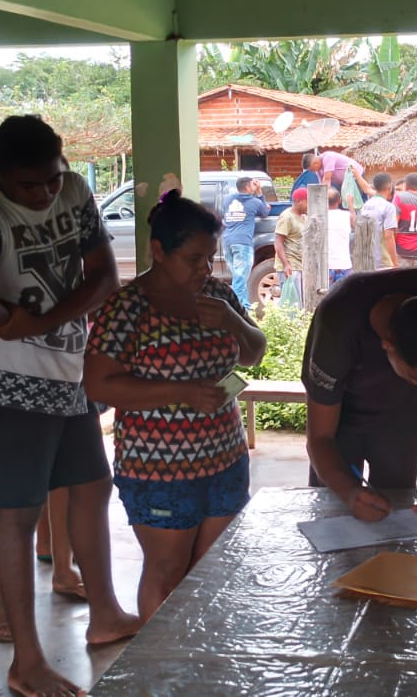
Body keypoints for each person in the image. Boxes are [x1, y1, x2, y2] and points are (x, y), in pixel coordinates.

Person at [0, 115, 138, 697]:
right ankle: (26, 661)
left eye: (51, 178)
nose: (44, 192)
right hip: (11, 382)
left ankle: (105, 614)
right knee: (19, 511)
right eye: (29, 184)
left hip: (70, 370)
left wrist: (46, 322)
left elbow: (103, 274)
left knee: (91, 485)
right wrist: (5, 324)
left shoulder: (75, 191)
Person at [85, 181, 267, 620]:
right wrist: (180, 392)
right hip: (158, 470)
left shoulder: (218, 297)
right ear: (159, 251)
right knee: (167, 573)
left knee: (211, 572)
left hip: (225, 459)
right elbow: (98, 385)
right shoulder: (127, 308)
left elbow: (254, 352)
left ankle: (197, 666)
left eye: (209, 257)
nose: (204, 268)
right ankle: (159, 678)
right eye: (192, 259)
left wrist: (232, 322)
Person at [301, 267, 417, 519]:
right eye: (414, 378)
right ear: (388, 347)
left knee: (398, 511)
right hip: (342, 414)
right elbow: (319, 438)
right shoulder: (338, 322)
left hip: (400, 417)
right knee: (334, 510)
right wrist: (350, 493)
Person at [220, 176, 269, 310]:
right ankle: (239, 309)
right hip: (242, 243)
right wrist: (259, 192)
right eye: (252, 185)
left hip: (227, 241)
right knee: (240, 279)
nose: (254, 187)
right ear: (248, 187)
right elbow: (265, 212)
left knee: (238, 277)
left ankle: (245, 305)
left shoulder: (228, 200)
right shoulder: (254, 201)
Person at [359, 172, 399, 270]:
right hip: (382, 262)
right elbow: (389, 236)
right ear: (389, 187)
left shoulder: (365, 206)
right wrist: (395, 263)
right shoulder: (388, 207)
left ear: (374, 187)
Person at [274, 187, 308, 292]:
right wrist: (286, 264)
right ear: (299, 201)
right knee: (292, 303)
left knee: (300, 304)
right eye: (307, 202)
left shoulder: (304, 217)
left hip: (301, 265)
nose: (309, 205)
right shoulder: (286, 217)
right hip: (290, 267)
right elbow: (278, 242)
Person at [327, 187, 353, 285]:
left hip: (327, 266)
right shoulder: (346, 216)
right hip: (344, 264)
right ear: (340, 200)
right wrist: (350, 205)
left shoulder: (319, 217)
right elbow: (355, 222)